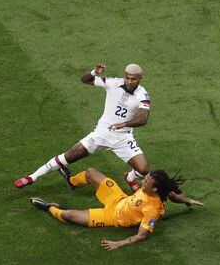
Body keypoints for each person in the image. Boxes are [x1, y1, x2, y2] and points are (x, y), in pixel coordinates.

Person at [15, 63, 151, 192]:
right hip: (101, 134)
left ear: (141, 78)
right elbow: (85, 79)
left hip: (123, 138)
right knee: (69, 155)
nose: (129, 81)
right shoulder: (113, 83)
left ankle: (130, 177)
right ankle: (32, 177)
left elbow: (143, 118)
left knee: (143, 169)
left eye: (133, 79)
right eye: (127, 77)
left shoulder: (142, 94)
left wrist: (124, 124)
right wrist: (94, 72)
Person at [30, 167, 204, 251]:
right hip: (118, 198)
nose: (142, 183)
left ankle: (50, 207)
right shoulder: (160, 192)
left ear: (155, 189)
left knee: (68, 215)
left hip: (112, 216)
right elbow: (173, 195)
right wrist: (188, 201)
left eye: (146, 182)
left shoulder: (152, 210)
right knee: (90, 172)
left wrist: (118, 243)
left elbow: (142, 235)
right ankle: (72, 181)